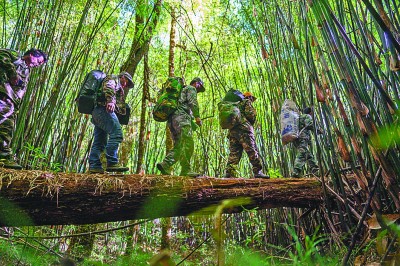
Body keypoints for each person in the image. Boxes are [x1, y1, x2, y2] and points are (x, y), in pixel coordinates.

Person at [0, 48, 48, 169]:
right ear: (31, 55)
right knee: (5, 126)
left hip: (10, 102)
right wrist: (12, 73)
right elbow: (2, 54)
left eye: (40, 64)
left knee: (7, 126)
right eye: (38, 61)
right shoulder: (16, 55)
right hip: (3, 96)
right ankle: (3, 157)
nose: (38, 64)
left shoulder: (27, 70)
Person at [156, 77, 205, 177]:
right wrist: (197, 117)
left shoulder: (181, 91)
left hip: (172, 119)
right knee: (188, 143)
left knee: (180, 143)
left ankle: (166, 164)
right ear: (196, 83)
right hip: (181, 118)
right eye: (200, 86)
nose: (199, 90)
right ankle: (185, 170)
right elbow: (193, 103)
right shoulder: (191, 89)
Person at [88, 71, 134, 173]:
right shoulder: (114, 79)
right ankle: (112, 162)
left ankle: (94, 166)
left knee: (100, 141)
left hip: (97, 112)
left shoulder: (119, 86)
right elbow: (109, 87)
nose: (126, 84)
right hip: (104, 110)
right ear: (122, 77)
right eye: (126, 80)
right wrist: (110, 101)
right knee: (117, 134)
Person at [224, 91, 269, 179]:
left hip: (232, 131)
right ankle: (257, 172)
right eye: (252, 98)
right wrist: (250, 123)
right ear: (250, 97)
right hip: (244, 130)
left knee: (234, 153)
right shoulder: (246, 102)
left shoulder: (234, 104)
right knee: (252, 151)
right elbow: (250, 115)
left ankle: (229, 173)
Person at [292, 107, 319, 177]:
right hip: (302, 137)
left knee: (307, 153)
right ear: (310, 112)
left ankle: (314, 169)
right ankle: (296, 171)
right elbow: (309, 125)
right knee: (302, 153)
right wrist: (318, 130)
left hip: (295, 138)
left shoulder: (298, 118)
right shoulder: (307, 116)